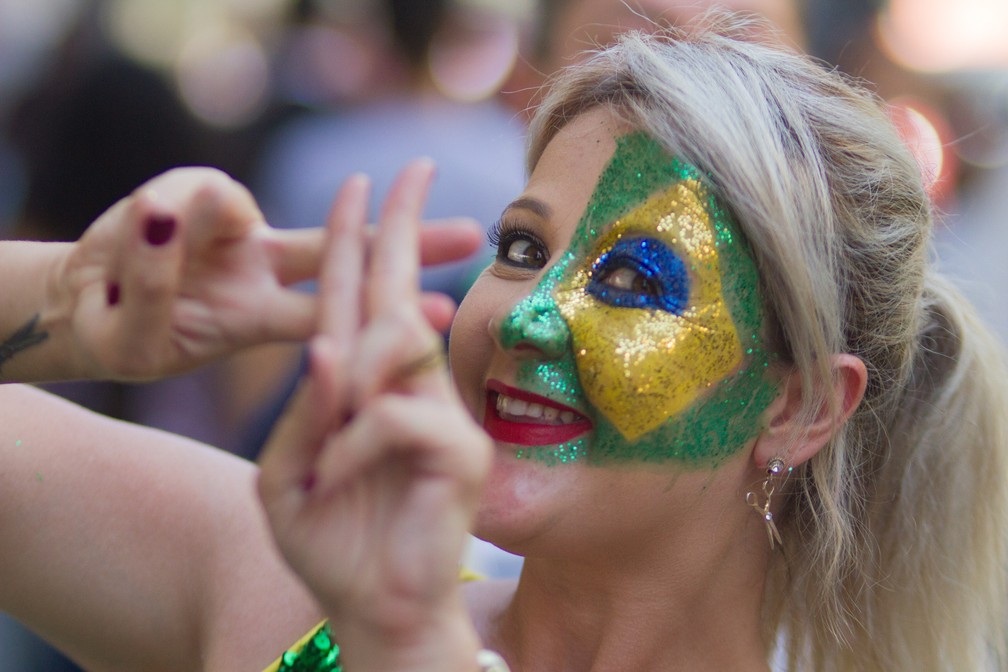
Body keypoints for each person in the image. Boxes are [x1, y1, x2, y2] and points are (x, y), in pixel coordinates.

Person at [3, 14, 1007, 672]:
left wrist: (403, 643)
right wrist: (67, 305)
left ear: (798, 405)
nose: (526, 318)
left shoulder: (370, 608)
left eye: (633, 278)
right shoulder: (292, 584)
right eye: (523, 247)